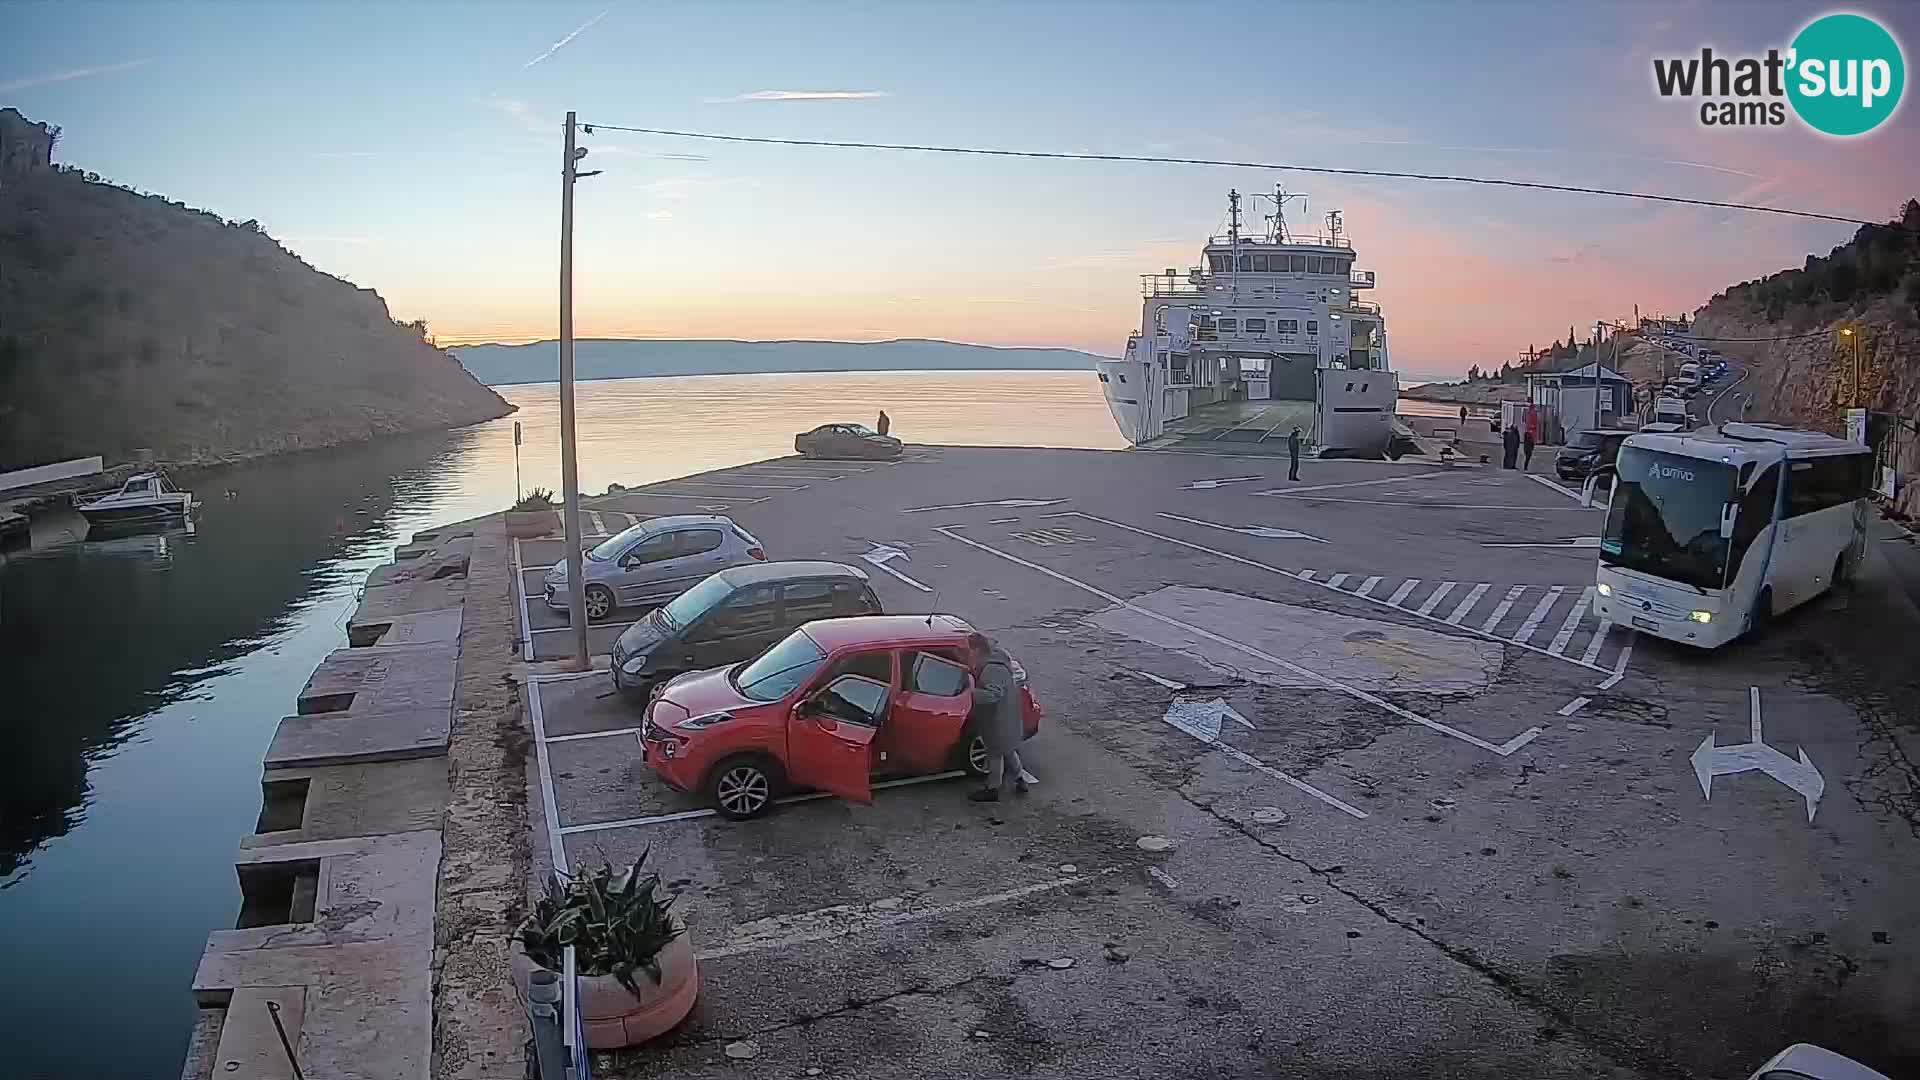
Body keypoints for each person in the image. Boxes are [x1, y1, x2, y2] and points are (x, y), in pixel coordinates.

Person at [965, 632, 1027, 802]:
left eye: (969, 651)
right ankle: (1020, 780)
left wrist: (971, 693)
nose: (968, 655)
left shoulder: (991, 669)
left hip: (998, 719)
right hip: (1006, 716)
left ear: (977, 650)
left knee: (995, 753)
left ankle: (992, 789)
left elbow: (992, 695)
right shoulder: (995, 660)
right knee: (1008, 750)